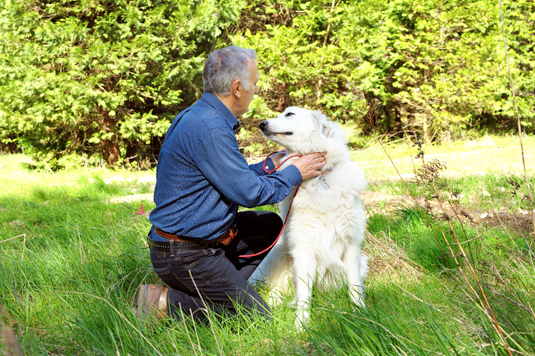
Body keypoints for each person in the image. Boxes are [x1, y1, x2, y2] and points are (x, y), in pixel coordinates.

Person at [136, 46, 326, 323]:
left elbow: (227, 178)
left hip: (184, 245)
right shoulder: (211, 129)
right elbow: (251, 193)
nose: (255, 90)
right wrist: (295, 171)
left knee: (269, 226)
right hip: (188, 255)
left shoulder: (199, 116)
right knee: (258, 319)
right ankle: (165, 301)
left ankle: (219, 290)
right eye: (255, 84)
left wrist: (267, 167)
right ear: (237, 87)